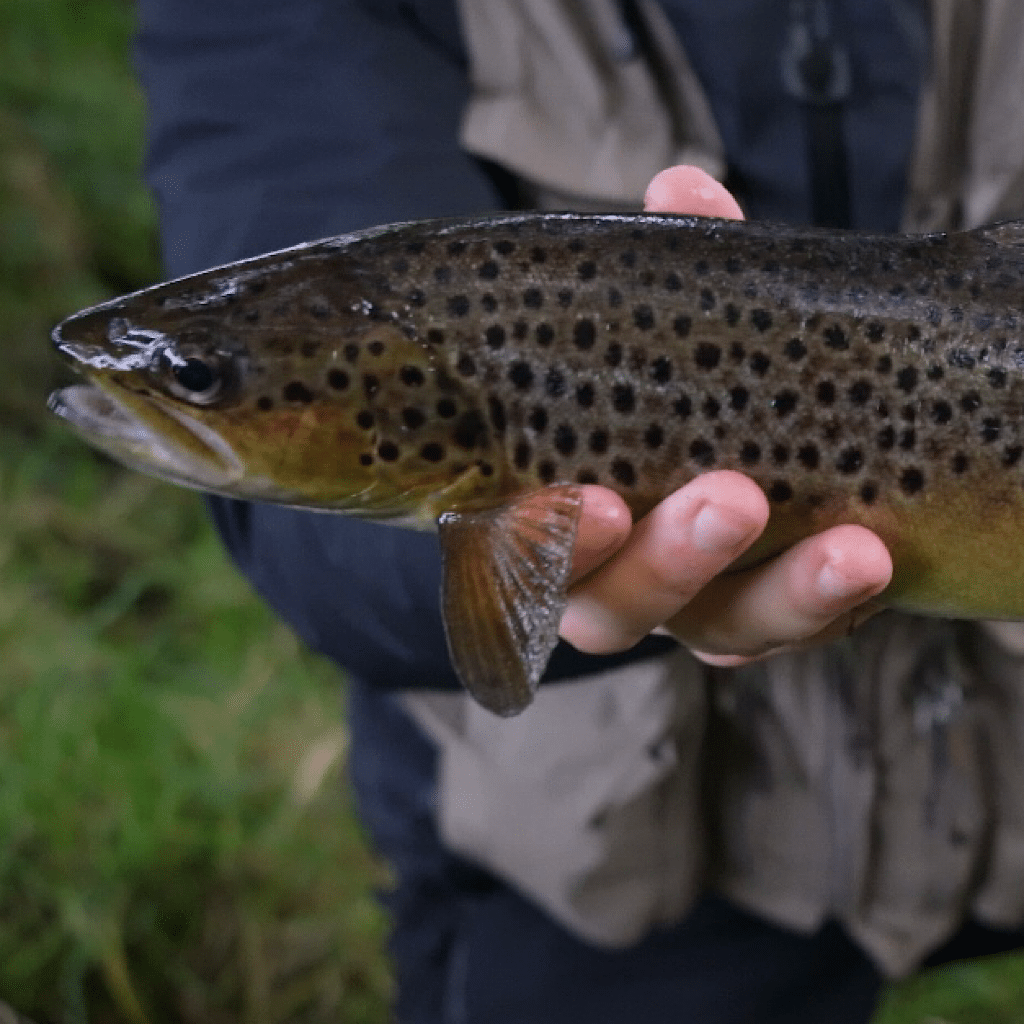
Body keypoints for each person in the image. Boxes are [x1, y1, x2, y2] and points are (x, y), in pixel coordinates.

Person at [133, 1, 1024, 1021]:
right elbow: (314, 556)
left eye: (203, 377)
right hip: (637, 853)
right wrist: (567, 586)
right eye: (210, 375)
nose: (181, 390)